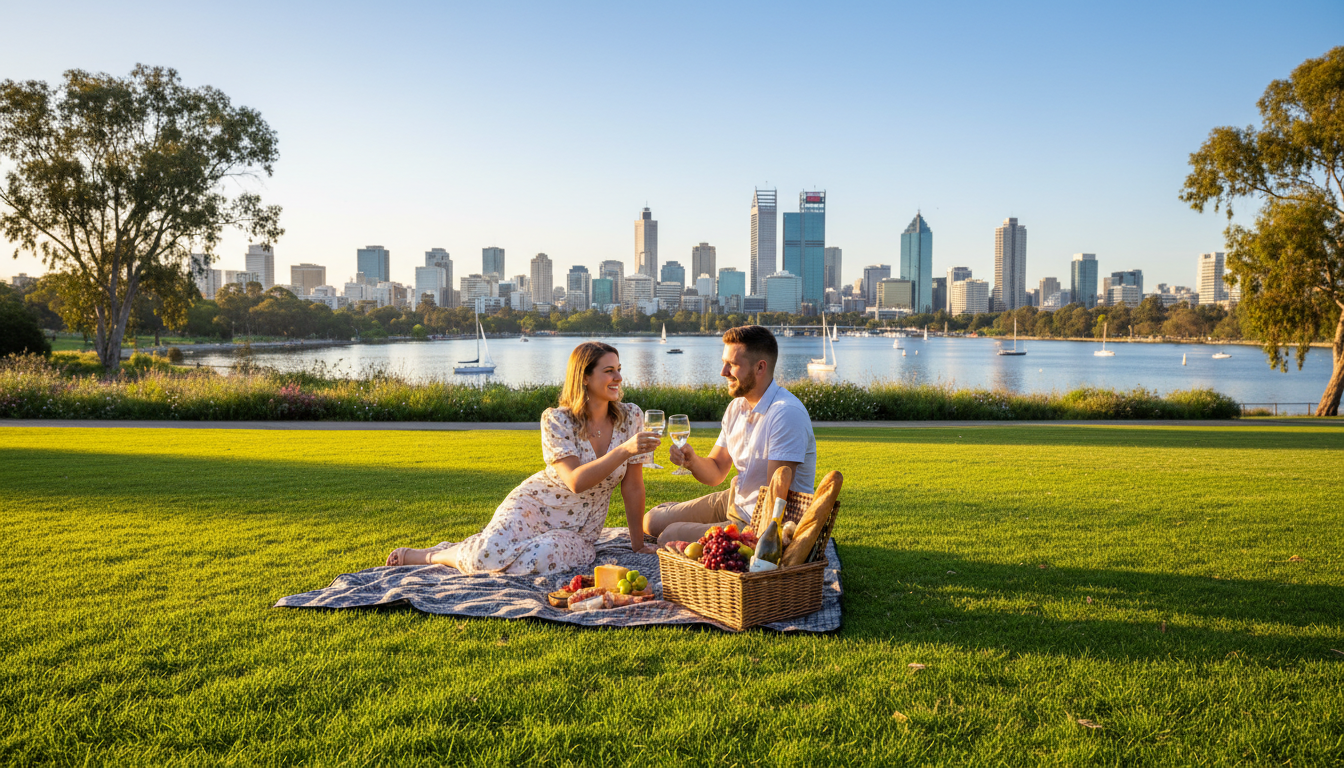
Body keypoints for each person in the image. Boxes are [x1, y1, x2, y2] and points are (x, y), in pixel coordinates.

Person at [384, 342, 661, 574]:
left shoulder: (631, 417)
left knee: (541, 559)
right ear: (584, 377)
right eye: (609, 371)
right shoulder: (557, 420)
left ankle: (477, 546)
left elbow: (632, 485)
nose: (619, 378)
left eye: (619, 370)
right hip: (534, 505)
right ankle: (435, 555)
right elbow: (576, 482)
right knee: (485, 558)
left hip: (579, 531)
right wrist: (624, 450)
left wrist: (637, 544)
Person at [644, 325, 816, 546]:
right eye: (724, 362)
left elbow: (776, 501)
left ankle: (691, 523)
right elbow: (716, 471)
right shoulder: (736, 407)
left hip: (762, 523)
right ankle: (684, 516)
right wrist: (692, 461)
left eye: (732, 365)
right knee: (651, 521)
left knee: (669, 535)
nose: (723, 372)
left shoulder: (785, 414)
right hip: (736, 500)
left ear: (760, 367)